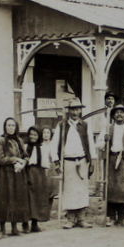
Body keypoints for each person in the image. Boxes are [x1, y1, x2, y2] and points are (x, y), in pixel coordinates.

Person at [53, 98, 97, 229]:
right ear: (68, 111)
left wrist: (92, 160)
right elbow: (54, 144)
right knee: (69, 190)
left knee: (82, 190)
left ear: (80, 111)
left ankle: (81, 218)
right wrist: (56, 162)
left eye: (77, 109)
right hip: (68, 162)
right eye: (72, 109)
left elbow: (90, 143)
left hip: (82, 161)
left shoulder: (85, 125)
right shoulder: (62, 125)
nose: (75, 112)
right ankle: (70, 219)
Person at [0, 117, 31, 236]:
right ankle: (2, 228)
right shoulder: (0, 140)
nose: (10, 128)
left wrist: (23, 162)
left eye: (13, 125)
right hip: (4, 174)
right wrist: (15, 160)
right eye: (8, 125)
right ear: (4, 127)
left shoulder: (19, 140)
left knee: (16, 199)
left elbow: (26, 155)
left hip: (18, 174)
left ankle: (14, 228)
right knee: (4, 200)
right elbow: (0, 159)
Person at [105, 104, 124, 226]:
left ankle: (122, 217)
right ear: (113, 115)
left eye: (121, 113)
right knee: (111, 188)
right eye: (117, 112)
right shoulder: (108, 128)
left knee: (122, 189)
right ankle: (111, 217)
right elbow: (99, 144)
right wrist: (104, 139)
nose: (119, 115)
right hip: (111, 158)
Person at [22, 126, 52, 233]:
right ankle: (25, 223)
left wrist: (44, 177)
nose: (32, 137)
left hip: (38, 173)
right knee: (26, 198)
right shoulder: (25, 146)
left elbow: (45, 163)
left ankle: (34, 224)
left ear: (38, 136)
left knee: (36, 198)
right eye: (31, 134)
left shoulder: (42, 148)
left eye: (35, 135)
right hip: (26, 171)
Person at [40, 126, 60, 204]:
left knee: (51, 189)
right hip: (42, 168)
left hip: (51, 167)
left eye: (48, 132)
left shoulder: (53, 145)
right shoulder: (40, 145)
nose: (46, 134)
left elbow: (55, 157)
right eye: (44, 132)